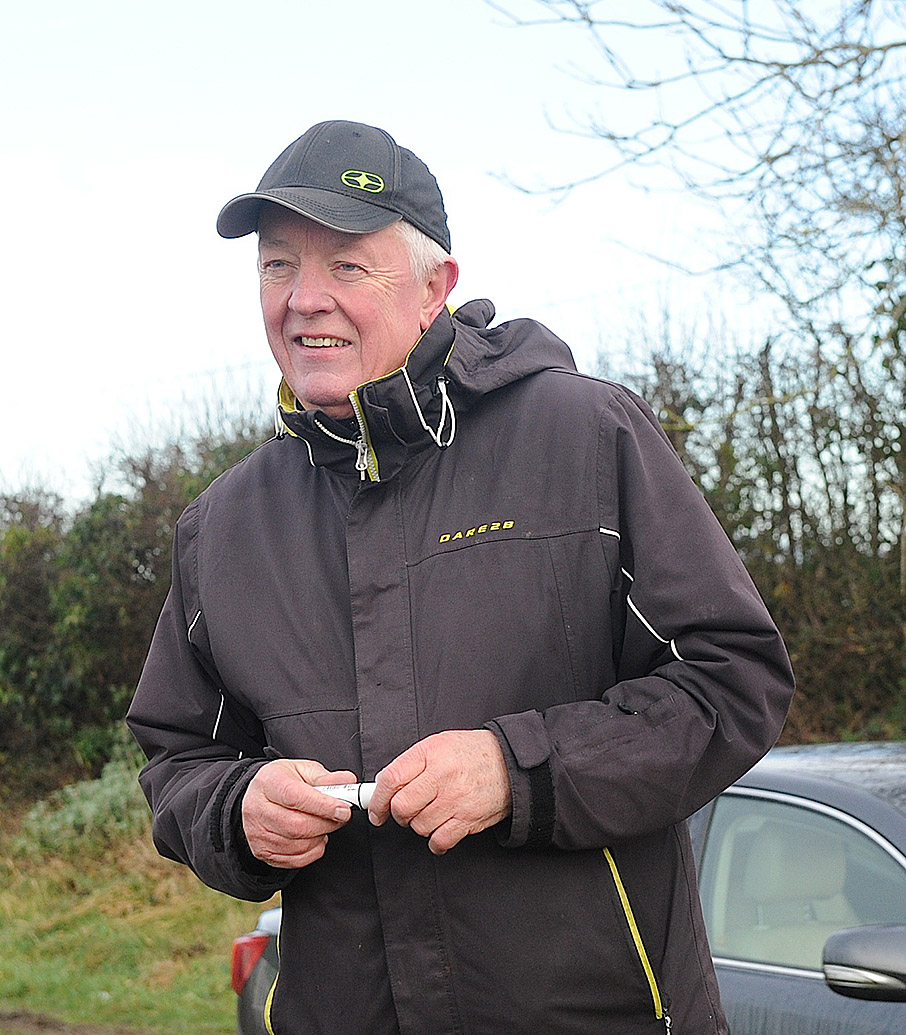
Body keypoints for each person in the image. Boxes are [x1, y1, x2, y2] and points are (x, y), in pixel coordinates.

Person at [127, 119, 794, 1035]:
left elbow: (733, 681)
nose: (304, 300)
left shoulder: (587, 438)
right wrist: (237, 809)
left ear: (436, 286)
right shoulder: (223, 528)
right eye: (278, 266)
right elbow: (177, 758)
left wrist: (520, 770)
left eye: (348, 266)